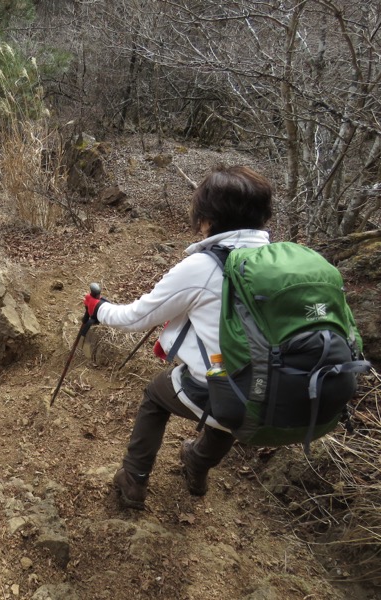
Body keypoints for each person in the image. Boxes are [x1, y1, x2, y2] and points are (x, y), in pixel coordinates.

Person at [83, 165, 273, 508]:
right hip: (280, 393)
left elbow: (135, 318)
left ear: (208, 219)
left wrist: (98, 310)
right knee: (229, 399)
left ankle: (133, 480)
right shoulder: (275, 262)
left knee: (156, 396)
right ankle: (198, 465)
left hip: (235, 394)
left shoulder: (204, 267)